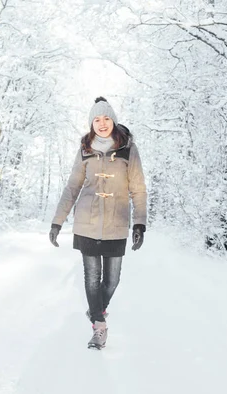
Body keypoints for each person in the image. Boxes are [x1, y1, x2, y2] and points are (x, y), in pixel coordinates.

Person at [49, 96, 147, 349]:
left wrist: (139, 223)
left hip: (116, 222)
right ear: (91, 123)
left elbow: (138, 188)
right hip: (87, 222)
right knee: (92, 278)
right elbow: (72, 187)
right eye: (96, 119)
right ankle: (99, 327)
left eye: (106, 119)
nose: (101, 124)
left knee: (112, 280)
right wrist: (57, 222)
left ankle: (96, 310)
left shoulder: (128, 150)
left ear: (113, 121)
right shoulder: (85, 150)